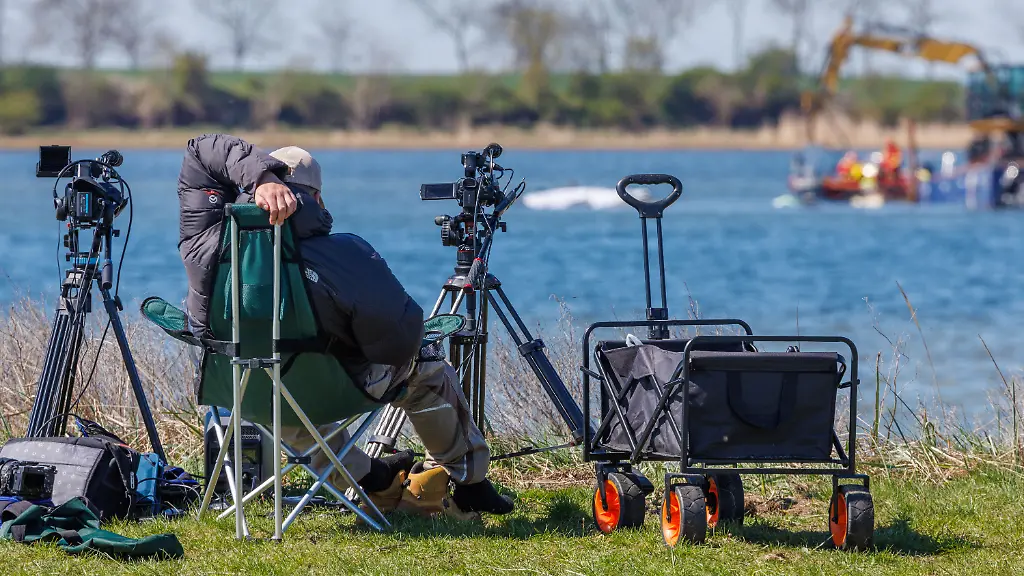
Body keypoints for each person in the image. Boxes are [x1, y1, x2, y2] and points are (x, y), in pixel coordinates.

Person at [176, 133, 513, 517]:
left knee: (281, 396)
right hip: (325, 393)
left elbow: (200, 150)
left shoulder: (205, 243)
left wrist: (260, 177)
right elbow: (398, 345)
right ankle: (470, 480)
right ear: (316, 199)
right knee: (425, 364)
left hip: (237, 390)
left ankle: (375, 479)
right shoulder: (346, 254)